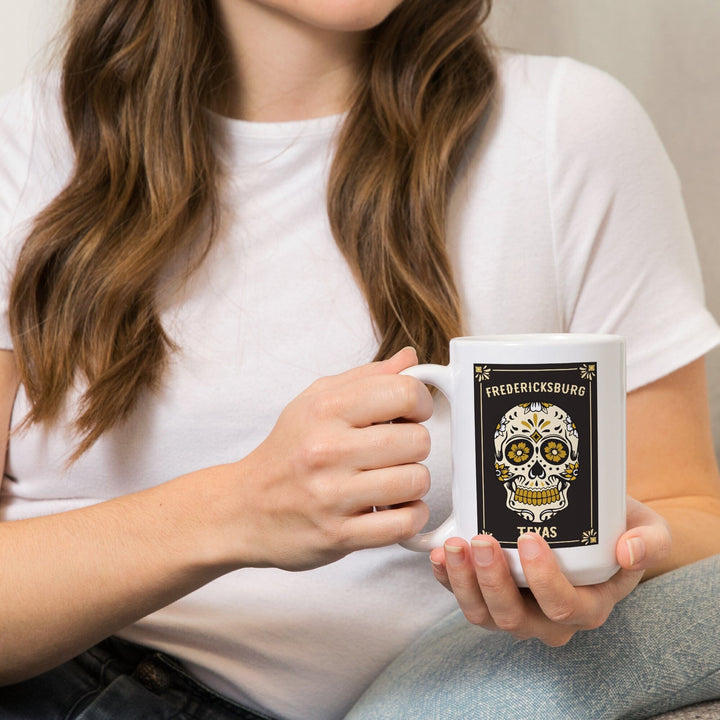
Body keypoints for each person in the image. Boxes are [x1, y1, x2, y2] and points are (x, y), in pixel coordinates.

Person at [0, 1, 719, 719]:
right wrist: (238, 509)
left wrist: (617, 565)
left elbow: (688, 511)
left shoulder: (570, 131)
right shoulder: (26, 146)